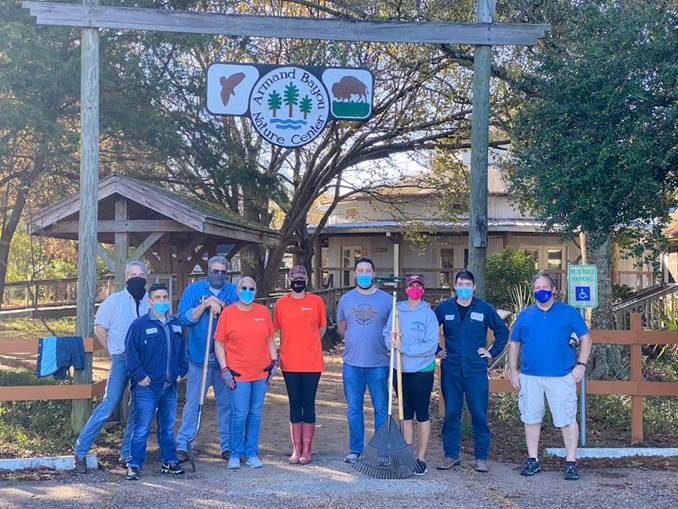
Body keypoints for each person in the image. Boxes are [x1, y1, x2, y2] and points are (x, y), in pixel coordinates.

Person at [509, 272, 592, 481]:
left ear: (554, 289)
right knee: (530, 418)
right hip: (530, 377)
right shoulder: (525, 315)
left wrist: (581, 365)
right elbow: (514, 343)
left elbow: (586, 338)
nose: (541, 291)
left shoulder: (568, 312)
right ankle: (532, 460)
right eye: (537, 288)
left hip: (561, 376)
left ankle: (571, 462)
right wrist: (513, 370)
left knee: (566, 418)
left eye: (545, 287)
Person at [74, 260, 149, 473]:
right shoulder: (113, 302)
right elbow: (99, 329)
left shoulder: (149, 303)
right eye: (132, 273)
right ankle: (80, 450)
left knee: (137, 407)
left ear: (146, 277)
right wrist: (111, 352)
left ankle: (127, 453)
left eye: (140, 273)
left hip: (143, 362)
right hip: (121, 358)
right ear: (126, 277)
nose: (136, 276)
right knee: (110, 403)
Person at [434, 270, 509, 473]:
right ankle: (451, 456)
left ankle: (481, 457)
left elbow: (502, 331)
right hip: (451, 370)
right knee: (451, 413)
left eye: (468, 284)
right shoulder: (445, 308)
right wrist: (437, 350)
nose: (464, 287)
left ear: (474, 287)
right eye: (460, 283)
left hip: (476, 370)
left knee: (478, 413)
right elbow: (428, 328)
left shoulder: (484, 308)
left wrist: (491, 351)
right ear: (455, 286)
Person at [176, 255, 238, 462]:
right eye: (215, 271)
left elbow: (241, 319)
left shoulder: (233, 292)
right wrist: (204, 306)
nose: (218, 275)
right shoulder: (193, 291)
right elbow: (183, 318)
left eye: (222, 272)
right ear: (208, 271)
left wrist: (222, 305)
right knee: (193, 403)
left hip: (225, 362)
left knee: (226, 404)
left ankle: (227, 446)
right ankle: (184, 444)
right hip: (197, 358)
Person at [124, 283, 188, 480]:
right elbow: (131, 355)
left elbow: (182, 353)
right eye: (157, 298)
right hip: (147, 387)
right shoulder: (139, 325)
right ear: (150, 301)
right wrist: (140, 377)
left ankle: (169, 461)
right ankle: (134, 464)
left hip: (170, 386)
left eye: (164, 297)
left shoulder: (176, 324)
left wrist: (181, 372)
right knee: (142, 427)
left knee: (167, 427)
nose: (162, 301)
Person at [214, 276, 278, 469]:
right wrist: (225, 368)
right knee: (239, 414)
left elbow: (269, 339)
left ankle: (251, 452)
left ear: (256, 291)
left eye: (251, 288)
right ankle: (235, 453)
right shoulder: (228, 313)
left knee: (255, 413)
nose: (247, 291)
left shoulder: (262, 312)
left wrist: (274, 361)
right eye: (244, 288)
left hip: (260, 372)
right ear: (237, 290)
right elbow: (219, 342)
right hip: (238, 373)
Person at [337, 257, 392, 464]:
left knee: (380, 408)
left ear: (374, 274)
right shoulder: (346, 299)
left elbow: (392, 328)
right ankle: (355, 449)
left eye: (368, 271)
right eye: (360, 270)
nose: (364, 274)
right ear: (354, 274)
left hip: (378, 363)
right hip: (352, 364)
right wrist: (354, 340)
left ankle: (380, 451)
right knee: (353, 408)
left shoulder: (386, 300)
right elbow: (342, 326)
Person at [384, 274, 439, 475]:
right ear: (406, 288)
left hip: (421, 370)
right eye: (411, 285)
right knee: (405, 413)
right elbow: (386, 333)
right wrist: (390, 342)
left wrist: (404, 347)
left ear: (422, 289)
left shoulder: (428, 315)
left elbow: (430, 346)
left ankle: (421, 458)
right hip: (400, 369)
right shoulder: (397, 310)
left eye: (418, 285)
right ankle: (406, 454)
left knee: (421, 413)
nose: (414, 288)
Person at [273, 265, 327, 465]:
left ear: (306, 279)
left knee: (308, 403)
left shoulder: (316, 301)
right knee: (295, 403)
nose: (298, 280)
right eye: (294, 277)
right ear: (289, 280)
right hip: (290, 362)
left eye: (301, 277)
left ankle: (308, 449)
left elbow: (322, 326)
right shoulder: (281, 304)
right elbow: (275, 328)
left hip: (312, 362)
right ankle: (296, 449)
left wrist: (311, 341)